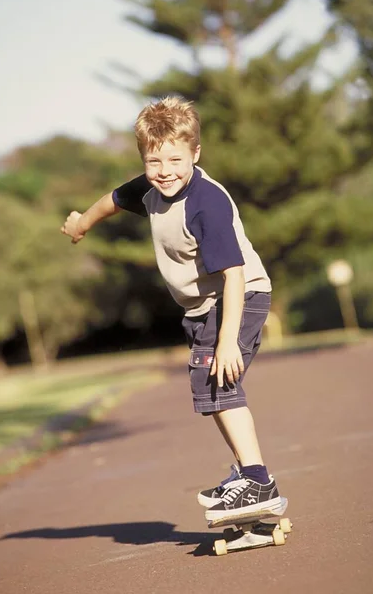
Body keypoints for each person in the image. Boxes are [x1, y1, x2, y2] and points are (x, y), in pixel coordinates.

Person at [61, 96, 283, 522]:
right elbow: (114, 198)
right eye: (153, 161)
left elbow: (234, 274)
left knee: (220, 379)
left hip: (239, 297)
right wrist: (82, 224)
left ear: (195, 153)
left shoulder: (206, 203)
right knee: (210, 390)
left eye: (176, 159)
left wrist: (228, 342)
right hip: (203, 306)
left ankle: (256, 477)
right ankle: (247, 472)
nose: (165, 171)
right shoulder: (151, 186)